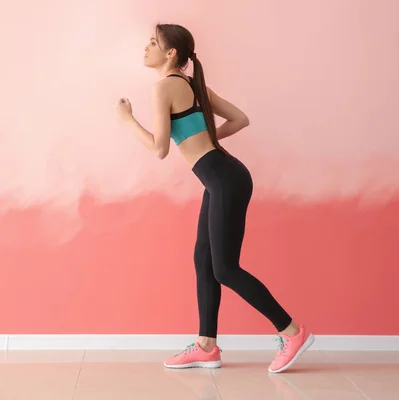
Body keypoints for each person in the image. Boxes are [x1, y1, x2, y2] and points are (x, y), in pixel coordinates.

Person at [114, 23, 314, 373]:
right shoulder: (193, 85)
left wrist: (127, 120)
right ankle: (207, 346)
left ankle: (292, 332)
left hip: (224, 179)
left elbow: (160, 149)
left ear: (171, 52)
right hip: (223, 176)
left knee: (224, 268)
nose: (146, 47)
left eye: (152, 42)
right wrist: (208, 141)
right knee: (203, 258)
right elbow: (241, 119)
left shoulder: (163, 88)